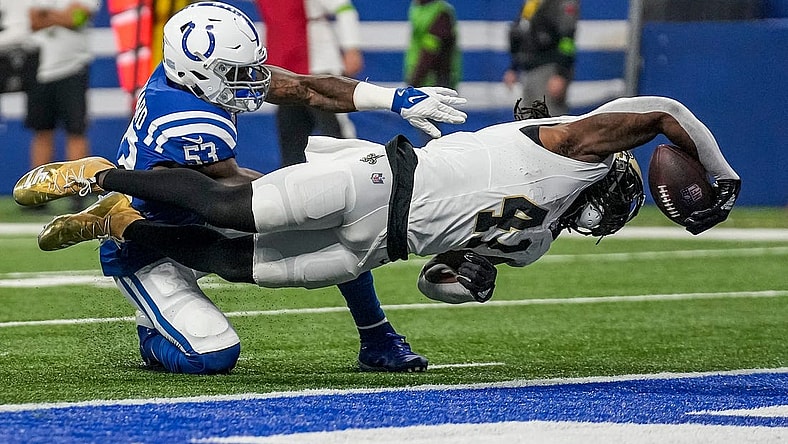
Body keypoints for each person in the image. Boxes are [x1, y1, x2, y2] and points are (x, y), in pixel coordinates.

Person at [15, 1, 468, 375]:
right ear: (193, 71)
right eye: (234, 71)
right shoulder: (189, 120)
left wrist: (394, 99)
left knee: (331, 223)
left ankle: (377, 338)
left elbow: (306, 89)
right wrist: (330, 190)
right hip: (153, 238)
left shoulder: (192, 78)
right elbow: (231, 199)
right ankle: (146, 316)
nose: (250, 79)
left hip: (203, 208)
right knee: (213, 355)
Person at [17, 96, 741, 309]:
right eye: (617, 203)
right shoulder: (568, 145)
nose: (608, 218)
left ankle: (124, 228)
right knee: (235, 208)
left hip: (381, 246)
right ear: (610, 178)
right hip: (381, 180)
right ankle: (102, 175)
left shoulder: (539, 242)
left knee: (236, 265)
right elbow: (666, 108)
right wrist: (719, 173)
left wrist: (470, 279)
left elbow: (442, 278)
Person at [256, 0, 365, 167]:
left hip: (319, 67)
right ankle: (293, 186)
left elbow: (345, 9)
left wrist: (351, 48)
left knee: (336, 133)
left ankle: (356, 173)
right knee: (291, 138)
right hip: (286, 73)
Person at [25, 0, 100, 210]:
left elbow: (75, 19)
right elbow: (33, 21)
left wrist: (48, 14)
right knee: (42, 131)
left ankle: (78, 190)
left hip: (72, 69)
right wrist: (61, 16)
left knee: (76, 131)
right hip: (40, 70)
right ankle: (37, 193)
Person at [504, 0, 579, 116]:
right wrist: (513, 67)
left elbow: (567, 39)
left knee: (549, 119)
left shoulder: (562, 3)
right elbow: (522, 34)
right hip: (528, 71)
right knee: (525, 122)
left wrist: (561, 73)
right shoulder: (531, 3)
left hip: (549, 70)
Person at [404, 0, 461, 90]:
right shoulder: (418, 7)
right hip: (422, 81)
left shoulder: (441, 13)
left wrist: (414, 81)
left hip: (435, 83)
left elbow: (430, 51)